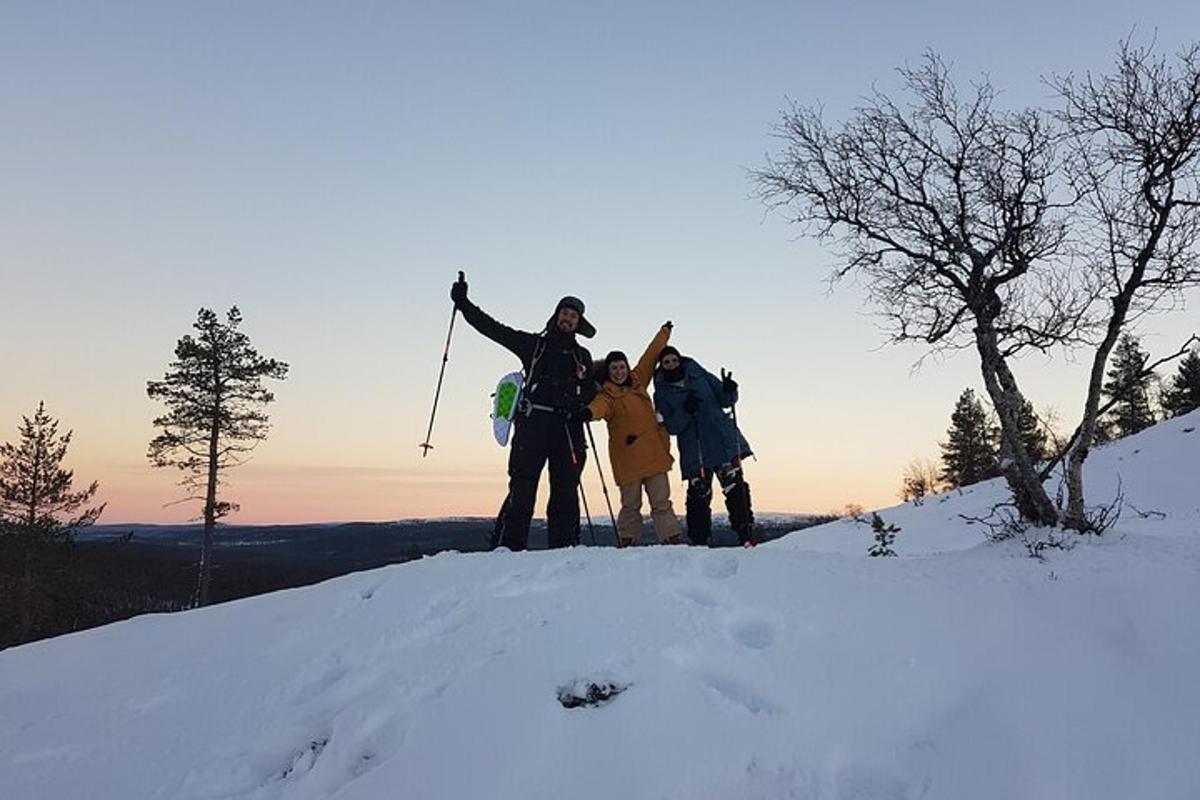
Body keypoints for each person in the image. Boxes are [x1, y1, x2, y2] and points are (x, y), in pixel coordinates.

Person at [450, 275, 596, 550]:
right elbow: (493, 329)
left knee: (566, 487)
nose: (568, 319)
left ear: (578, 324)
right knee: (523, 484)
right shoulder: (534, 345)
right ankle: (510, 546)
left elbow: (591, 390)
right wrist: (464, 303)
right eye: (564, 313)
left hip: (568, 426)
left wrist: (582, 408)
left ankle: (564, 546)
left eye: (573, 316)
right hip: (534, 424)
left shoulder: (583, 356)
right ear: (556, 316)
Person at [581, 323, 684, 547]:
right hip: (627, 460)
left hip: (654, 455)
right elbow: (598, 408)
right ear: (608, 372)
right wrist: (587, 412)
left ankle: (672, 539)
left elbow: (651, 354)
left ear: (627, 367)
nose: (619, 372)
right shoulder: (607, 395)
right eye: (614, 369)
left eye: (621, 367)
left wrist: (664, 333)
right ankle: (628, 541)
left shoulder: (639, 380)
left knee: (661, 502)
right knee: (630, 505)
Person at [653, 346, 754, 546]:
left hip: (721, 439)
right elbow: (671, 427)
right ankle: (699, 541)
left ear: (680, 360)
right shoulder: (661, 393)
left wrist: (730, 389)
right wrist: (686, 411)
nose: (672, 365)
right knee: (699, 494)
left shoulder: (699, 373)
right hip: (694, 447)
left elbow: (726, 400)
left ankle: (746, 534)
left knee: (735, 488)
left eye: (674, 360)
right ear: (661, 366)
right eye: (667, 362)